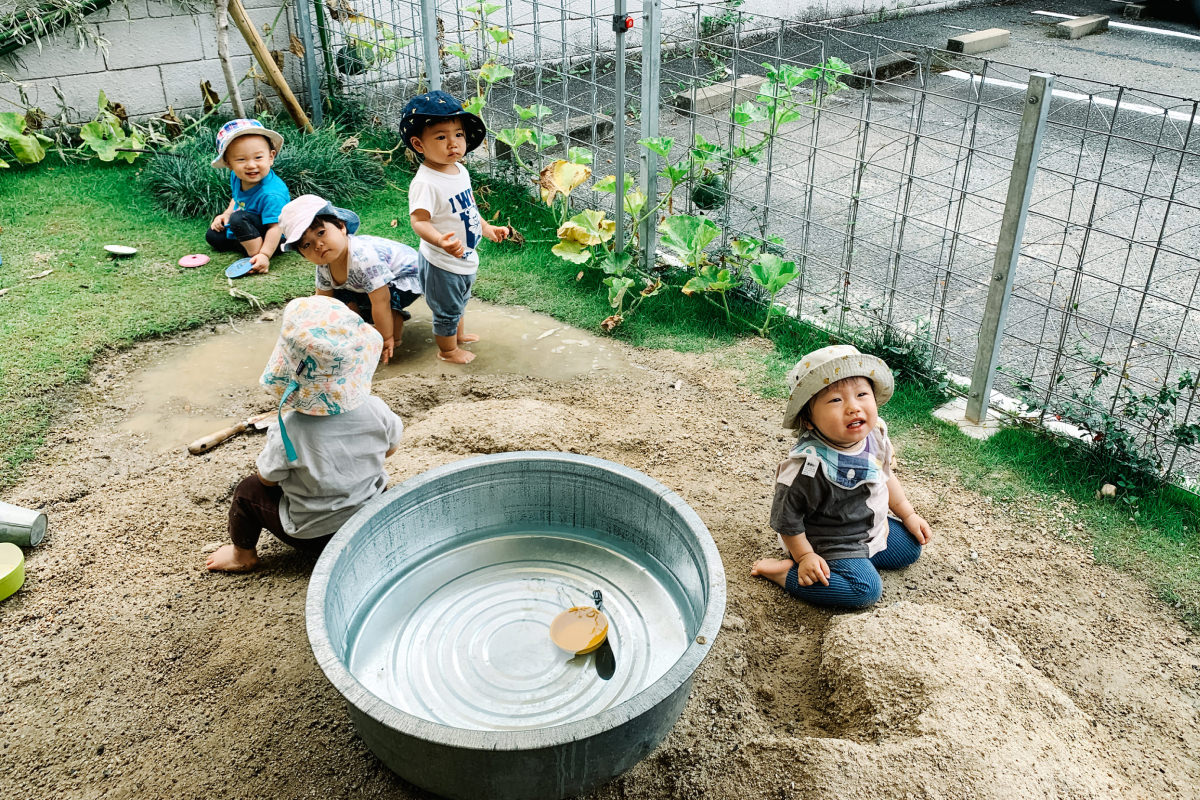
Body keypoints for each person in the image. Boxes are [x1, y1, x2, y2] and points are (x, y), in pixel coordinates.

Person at [205, 296, 403, 572]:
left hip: (315, 536)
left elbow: (268, 479)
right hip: (368, 515)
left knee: (248, 490)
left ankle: (242, 555)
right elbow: (390, 449)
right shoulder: (376, 409)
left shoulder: (290, 428)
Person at [751, 345, 932, 609]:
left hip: (868, 528)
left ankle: (859, 560)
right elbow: (786, 520)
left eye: (861, 394)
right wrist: (805, 557)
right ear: (808, 420)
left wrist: (909, 514)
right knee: (865, 590)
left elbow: (885, 477)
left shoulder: (874, 436)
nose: (853, 407)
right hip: (828, 541)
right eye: (836, 400)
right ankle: (784, 573)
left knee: (910, 548)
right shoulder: (808, 466)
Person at [399, 90, 510, 364]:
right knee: (447, 309)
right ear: (419, 144)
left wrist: (486, 228)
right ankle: (448, 351)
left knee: (460, 301)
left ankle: (457, 337)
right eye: (441, 137)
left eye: (458, 135)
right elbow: (419, 221)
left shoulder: (460, 171)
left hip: (464, 256)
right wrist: (441, 242)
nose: (453, 144)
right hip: (441, 262)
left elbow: (468, 208)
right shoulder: (426, 182)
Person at [278, 194, 422, 365]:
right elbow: (322, 303)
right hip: (371, 283)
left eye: (321, 233)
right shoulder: (324, 266)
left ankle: (394, 339)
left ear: (341, 227)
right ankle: (359, 331)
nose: (318, 245)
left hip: (408, 277)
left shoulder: (363, 259)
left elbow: (381, 301)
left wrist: (386, 337)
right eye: (307, 245)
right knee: (339, 301)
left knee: (386, 303)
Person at [206, 118, 290, 274]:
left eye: (258, 157)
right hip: (248, 224)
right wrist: (226, 214)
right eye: (241, 159)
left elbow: (275, 227)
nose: (251, 165)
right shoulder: (237, 177)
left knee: (238, 219)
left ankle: (256, 255)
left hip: (275, 237)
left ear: (271, 157)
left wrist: (264, 255)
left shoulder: (272, 194)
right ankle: (246, 242)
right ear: (229, 164)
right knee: (213, 235)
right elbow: (237, 198)